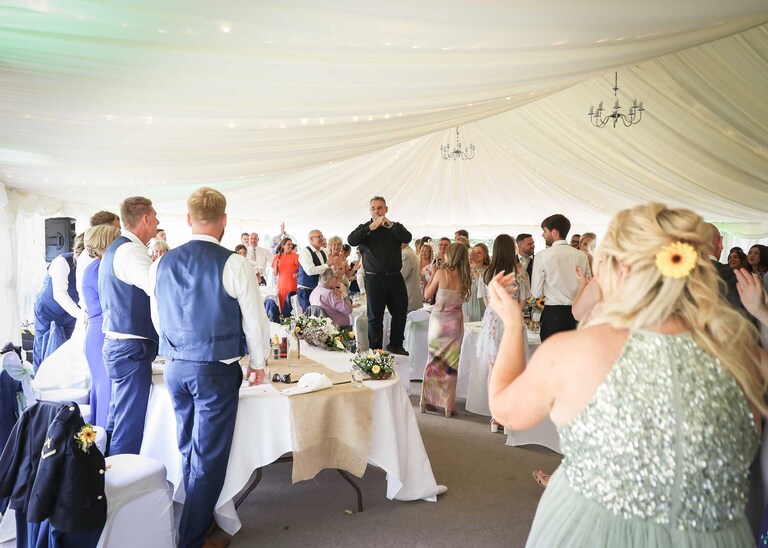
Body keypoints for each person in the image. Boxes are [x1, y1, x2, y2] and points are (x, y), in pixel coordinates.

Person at [487, 202, 765, 547]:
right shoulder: (745, 354)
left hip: (592, 531)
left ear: (618, 267)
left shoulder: (575, 349)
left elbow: (505, 408)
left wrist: (512, 321)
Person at [150, 187, 269, 548]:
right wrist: (259, 362)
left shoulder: (161, 262)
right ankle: (191, 539)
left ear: (188, 220)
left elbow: (158, 319)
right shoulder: (234, 263)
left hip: (175, 366)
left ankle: (203, 526)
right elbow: (255, 320)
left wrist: (177, 346)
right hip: (215, 369)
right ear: (224, 221)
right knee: (210, 459)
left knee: (189, 448)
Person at [98, 196, 159, 456]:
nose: (157, 222)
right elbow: (156, 290)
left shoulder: (117, 248)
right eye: (155, 217)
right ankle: (120, 491)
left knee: (118, 418)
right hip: (129, 348)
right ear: (144, 219)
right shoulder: (131, 251)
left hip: (118, 345)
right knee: (129, 426)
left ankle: (107, 478)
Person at [476, 235, 529, 432]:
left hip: (492, 320)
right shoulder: (520, 273)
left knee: (493, 369)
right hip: (512, 319)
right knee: (513, 370)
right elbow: (523, 303)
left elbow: (486, 302)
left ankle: (495, 416)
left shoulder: (487, 272)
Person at [348, 196, 412, 354]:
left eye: (380, 208)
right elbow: (351, 240)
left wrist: (389, 225)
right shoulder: (364, 229)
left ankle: (396, 344)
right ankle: (375, 349)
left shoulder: (395, 227)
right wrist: (371, 227)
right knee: (375, 316)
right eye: (374, 208)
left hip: (395, 277)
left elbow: (407, 237)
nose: (377, 211)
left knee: (400, 312)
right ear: (370, 211)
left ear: (386, 209)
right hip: (373, 278)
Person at [421, 243, 471, 417]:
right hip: (455, 322)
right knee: (450, 363)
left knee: (433, 359)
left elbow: (427, 295)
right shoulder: (466, 277)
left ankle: (426, 400)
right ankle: (448, 406)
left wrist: (433, 273)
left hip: (438, 322)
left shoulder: (441, 273)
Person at [82, 224, 121, 429]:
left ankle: (98, 441)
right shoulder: (100, 267)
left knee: (102, 388)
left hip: (96, 331)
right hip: (101, 332)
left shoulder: (96, 266)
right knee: (106, 388)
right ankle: (104, 440)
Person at [531, 214, 591, 341]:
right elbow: (588, 286)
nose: (543, 235)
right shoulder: (582, 256)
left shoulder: (542, 256)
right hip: (578, 315)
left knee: (551, 358)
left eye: (544, 231)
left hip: (553, 314)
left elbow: (536, 293)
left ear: (554, 232)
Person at [32, 238, 83, 371]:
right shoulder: (62, 262)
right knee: (43, 348)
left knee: (67, 349)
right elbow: (60, 295)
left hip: (70, 314)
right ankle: (37, 382)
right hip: (47, 311)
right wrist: (82, 315)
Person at [297, 229, 330, 312]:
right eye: (319, 237)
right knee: (310, 317)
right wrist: (327, 265)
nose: (322, 239)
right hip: (307, 291)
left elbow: (327, 268)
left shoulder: (324, 251)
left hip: (320, 291)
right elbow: (310, 271)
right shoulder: (305, 252)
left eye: (322, 236)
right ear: (311, 239)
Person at [464, 243, 490, 321]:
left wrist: (475, 271)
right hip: (468, 302)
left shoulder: (488, 270)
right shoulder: (465, 268)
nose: (475, 255)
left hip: (482, 301)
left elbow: (486, 286)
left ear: (485, 255)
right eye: (474, 252)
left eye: (479, 252)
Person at [272, 237, 299, 311]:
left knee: (292, 303)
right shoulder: (277, 257)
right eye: (288, 244)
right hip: (281, 285)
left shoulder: (296, 256)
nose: (290, 246)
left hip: (292, 283)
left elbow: (302, 270)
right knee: (282, 303)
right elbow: (275, 274)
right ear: (283, 245)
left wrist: (297, 274)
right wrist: (276, 266)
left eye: (291, 244)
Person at [401, 242, 423, 313]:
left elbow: (401, 276)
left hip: (408, 298)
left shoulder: (406, 254)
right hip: (410, 298)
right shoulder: (409, 252)